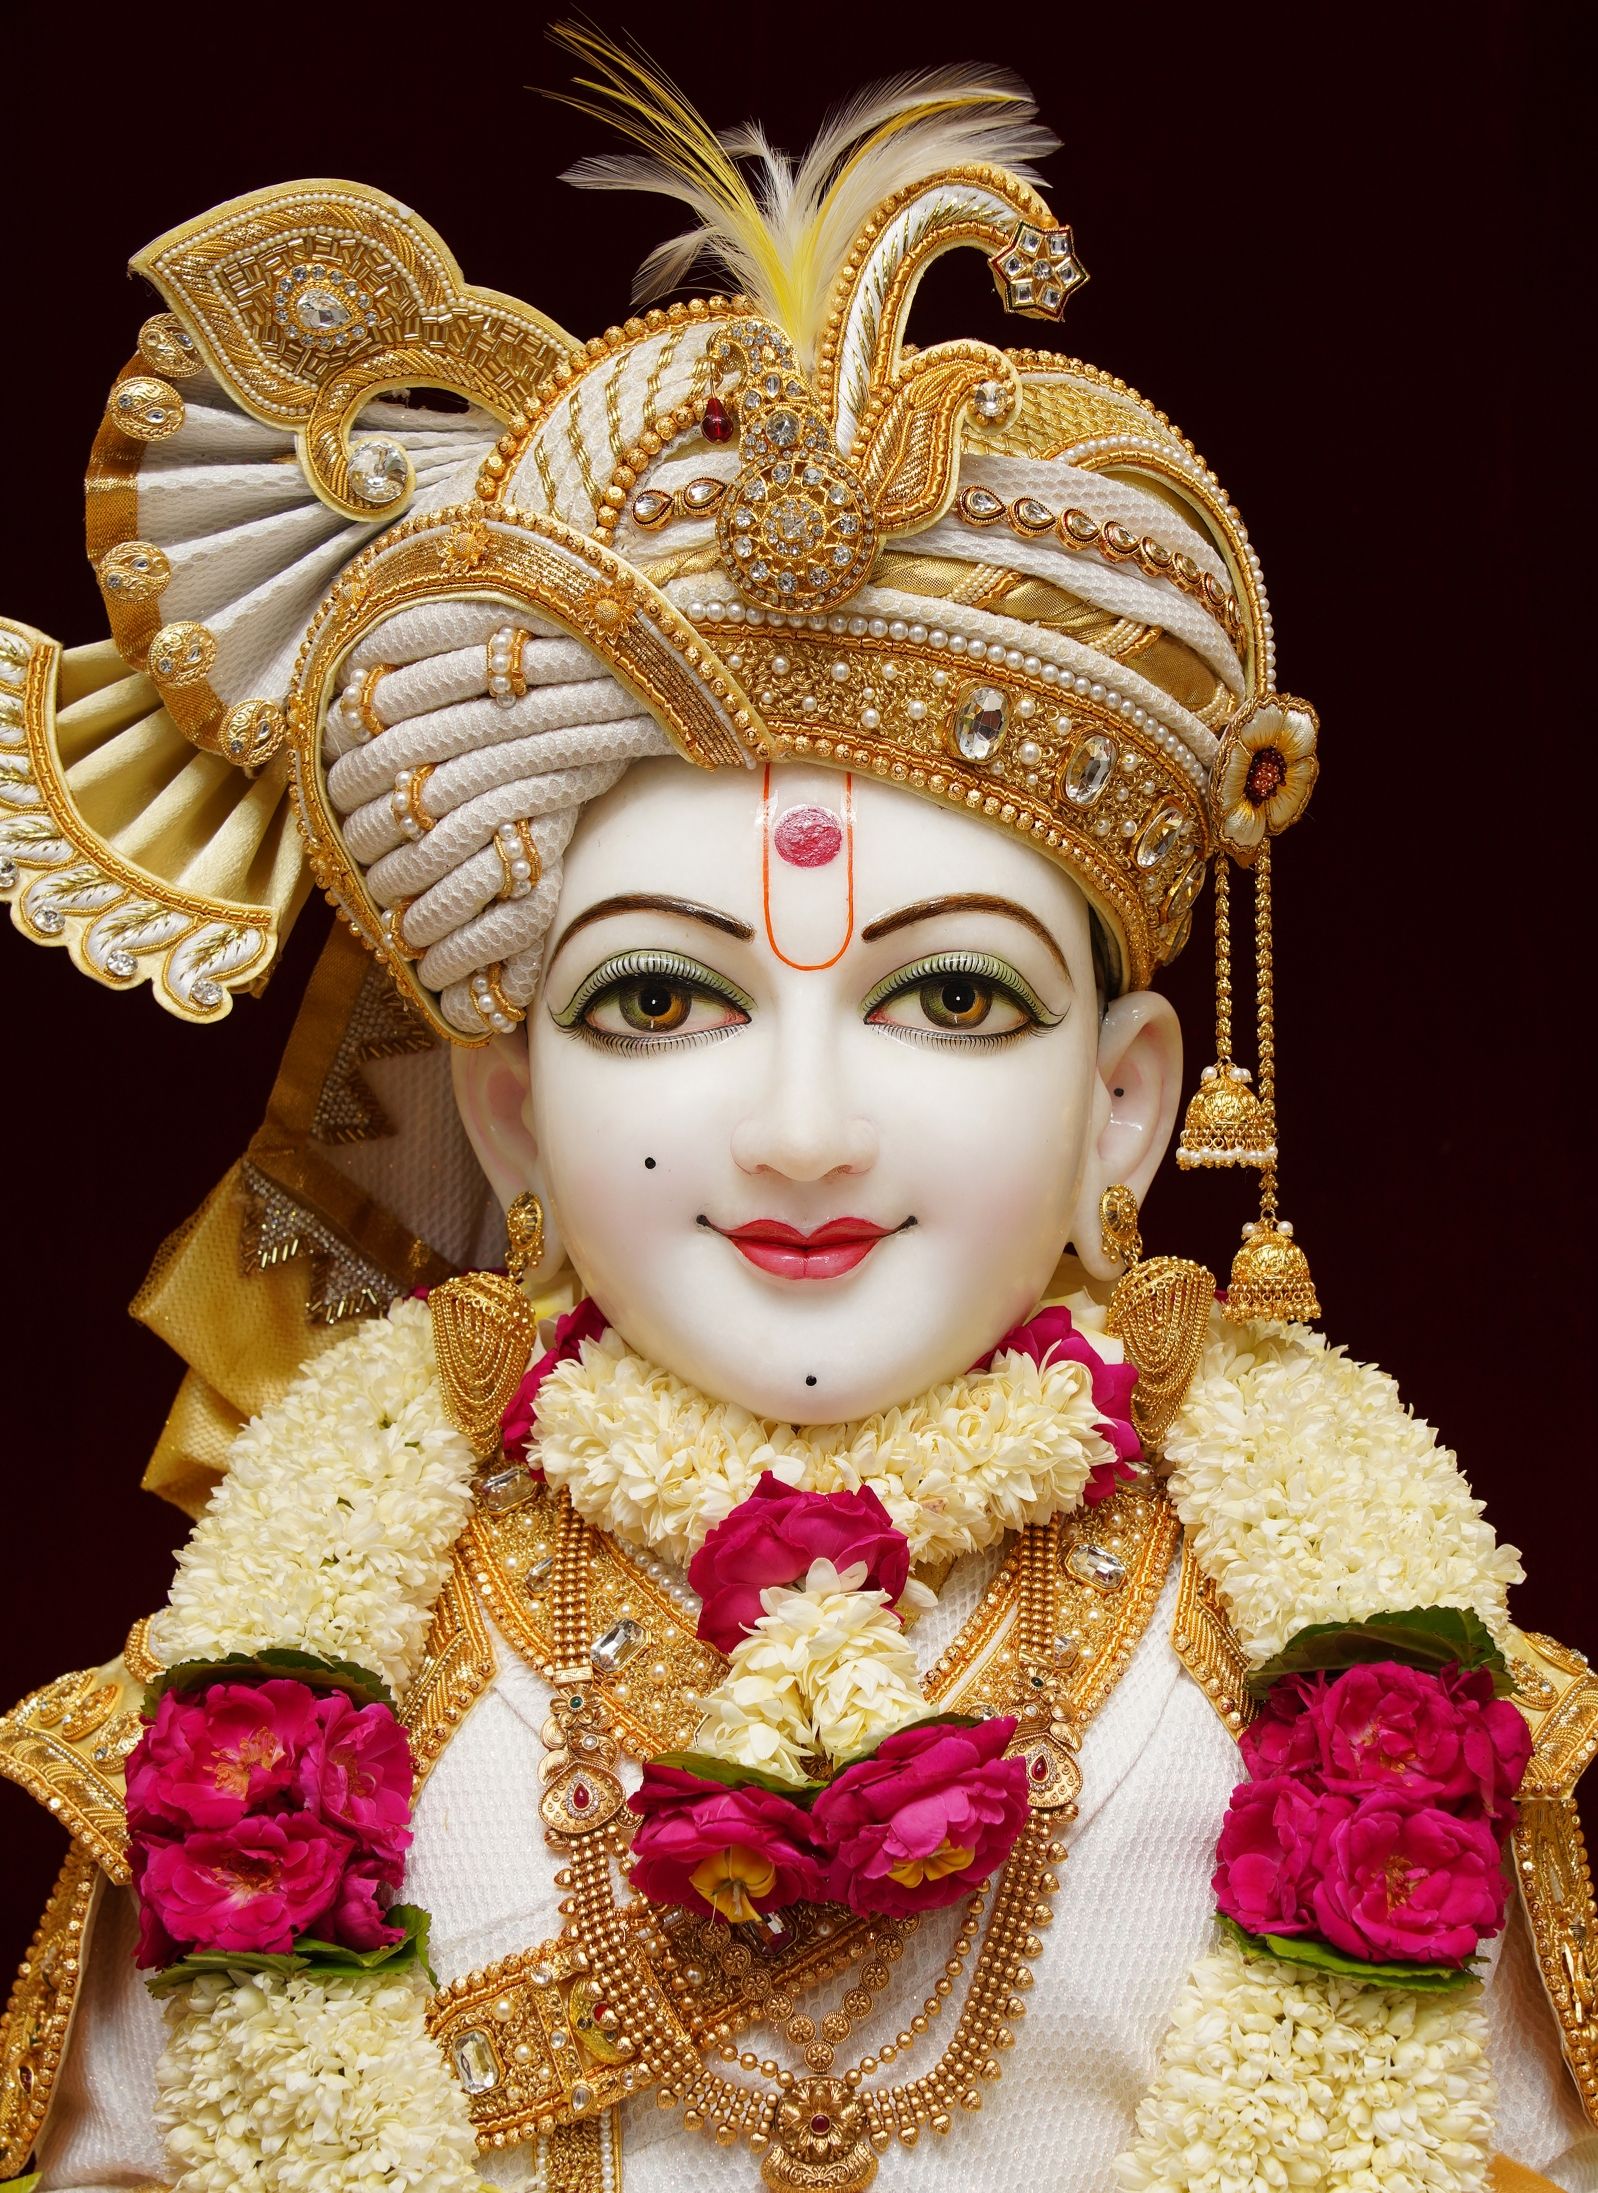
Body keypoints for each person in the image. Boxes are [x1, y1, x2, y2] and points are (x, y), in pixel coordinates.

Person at [1, 39, 1593, 2193]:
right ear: (510, 1114)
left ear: (1123, 1108)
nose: (805, 1128)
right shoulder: (326, 1655)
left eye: (947, 995)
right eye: (665, 998)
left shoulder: (1318, 1642)